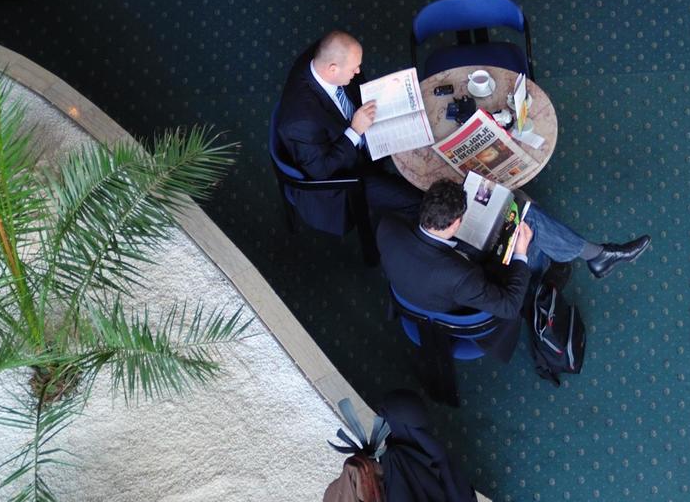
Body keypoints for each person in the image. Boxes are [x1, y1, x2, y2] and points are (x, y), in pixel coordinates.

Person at [376, 178, 651, 362]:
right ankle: (594, 257)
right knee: (530, 221)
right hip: (466, 302)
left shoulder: (387, 226)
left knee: (522, 206)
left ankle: (595, 256)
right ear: (455, 223)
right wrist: (519, 254)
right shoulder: (461, 276)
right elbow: (508, 307)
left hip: (420, 286)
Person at [276, 31, 424, 229]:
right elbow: (322, 171)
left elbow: (357, 82)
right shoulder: (301, 122)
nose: (358, 72)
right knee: (417, 201)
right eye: (353, 69)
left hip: (359, 133)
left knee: (421, 132)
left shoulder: (321, 56)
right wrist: (355, 131)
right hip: (346, 176)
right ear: (333, 69)